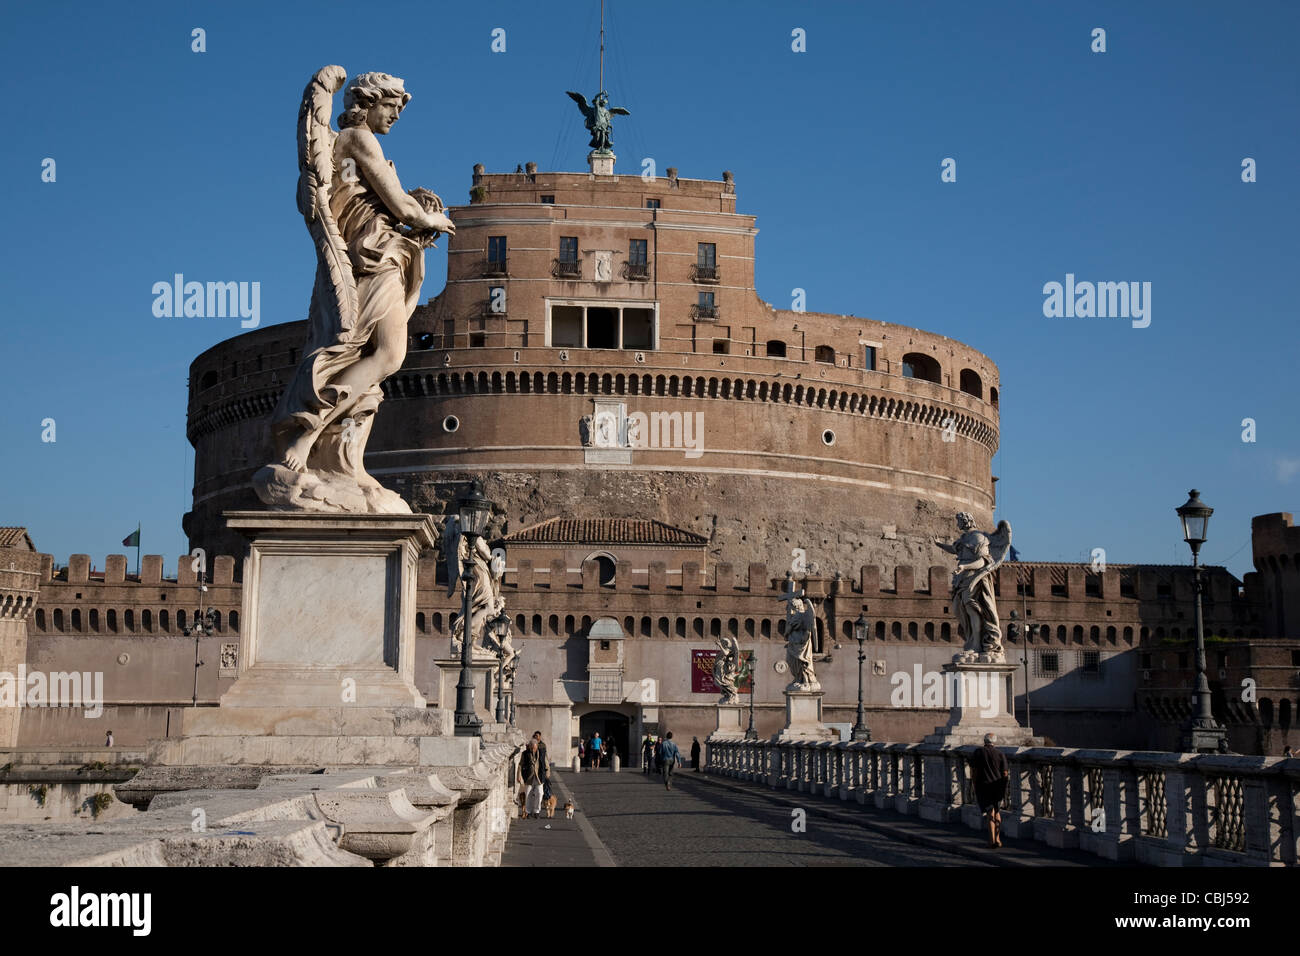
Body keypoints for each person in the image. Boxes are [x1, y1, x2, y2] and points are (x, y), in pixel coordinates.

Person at [969, 733, 1010, 847]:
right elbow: (1005, 773)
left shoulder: (978, 752)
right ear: (994, 742)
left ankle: (991, 839)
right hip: (997, 787)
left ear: (984, 741)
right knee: (997, 812)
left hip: (984, 786)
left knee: (989, 812)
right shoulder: (1000, 754)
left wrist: (974, 783)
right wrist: (1004, 786)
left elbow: (974, 771)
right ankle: (998, 839)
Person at [518, 739, 545, 819]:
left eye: (534, 748)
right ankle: (528, 811)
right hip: (528, 777)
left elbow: (545, 763)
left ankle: (537, 811)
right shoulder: (525, 754)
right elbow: (520, 764)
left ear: (537, 747)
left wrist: (547, 773)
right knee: (528, 794)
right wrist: (519, 775)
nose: (532, 749)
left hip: (539, 777)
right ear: (529, 747)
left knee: (540, 793)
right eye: (531, 747)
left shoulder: (542, 753)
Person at [532, 731, 550, 802]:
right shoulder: (532, 744)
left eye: (538, 736)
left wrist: (548, 771)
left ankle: (538, 805)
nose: (537, 737)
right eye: (535, 736)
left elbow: (545, 758)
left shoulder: (542, 745)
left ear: (540, 736)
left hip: (541, 768)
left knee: (540, 789)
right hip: (533, 769)